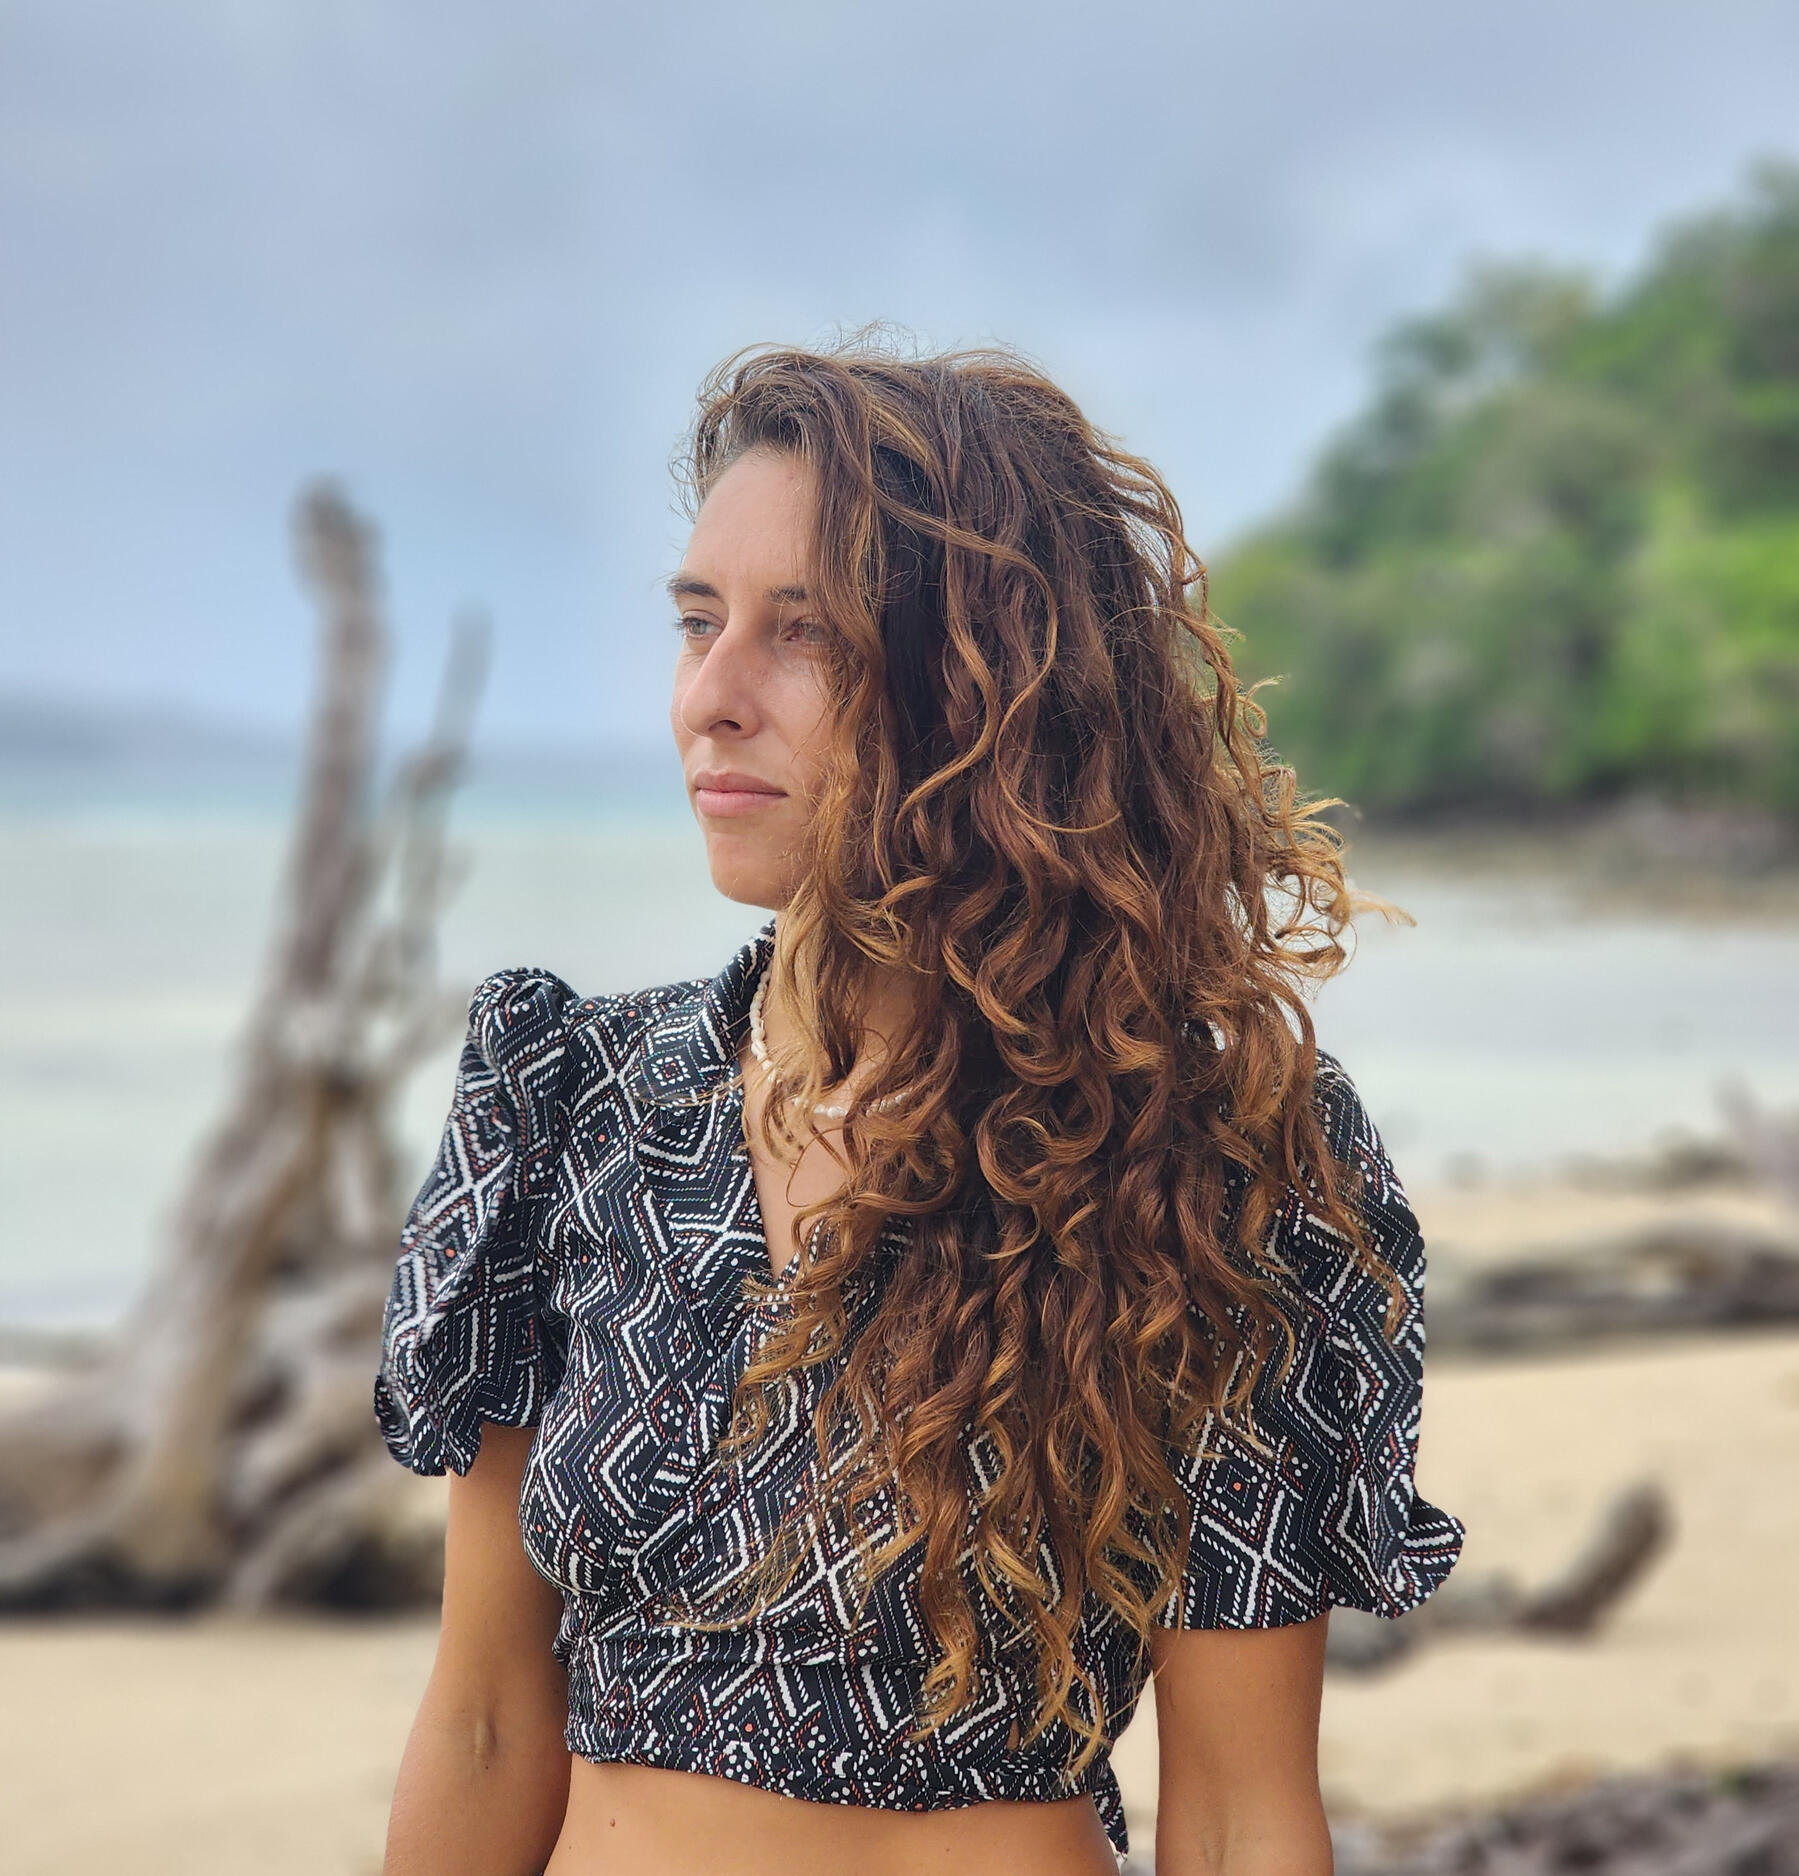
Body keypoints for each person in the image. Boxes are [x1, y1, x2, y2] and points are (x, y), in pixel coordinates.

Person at [372, 334, 1465, 1876]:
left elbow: (1234, 1812)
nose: (713, 699)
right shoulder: (574, 1102)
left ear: (985, 686)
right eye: (698, 623)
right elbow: (487, 1717)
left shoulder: (1209, 1163)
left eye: (800, 635)